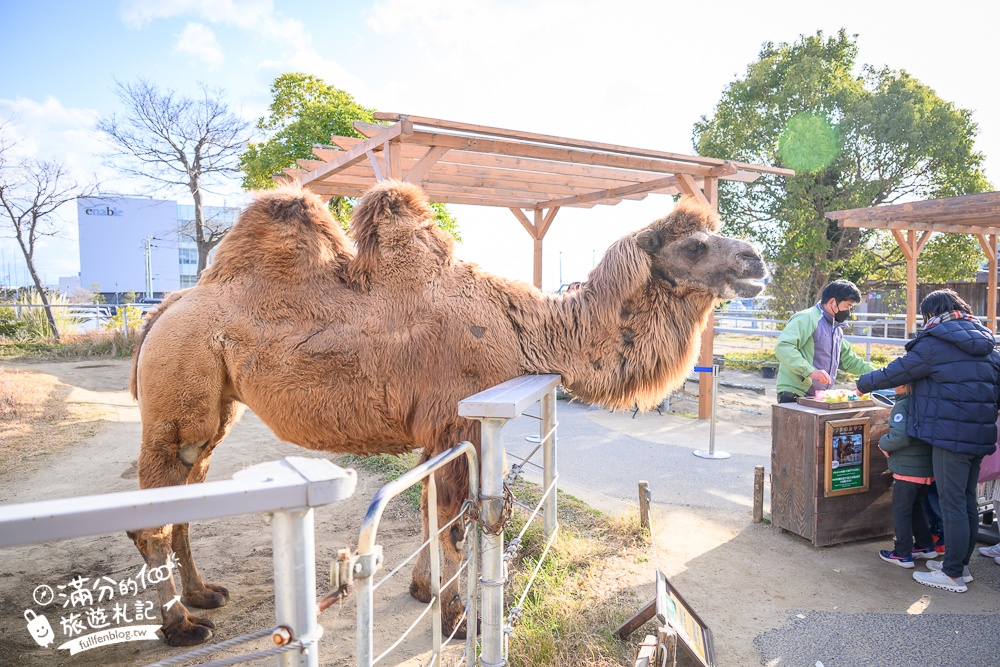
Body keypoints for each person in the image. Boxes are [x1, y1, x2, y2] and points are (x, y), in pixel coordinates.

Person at [857, 289, 1000, 593]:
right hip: (980, 434)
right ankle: (960, 566)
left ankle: (951, 575)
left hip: (950, 439)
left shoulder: (935, 343)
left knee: (952, 504)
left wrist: (862, 384)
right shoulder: (988, 344)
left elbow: (896, 371)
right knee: (966, 502)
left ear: (930, 314)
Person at [774, 280, 875, 403]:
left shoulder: (835, 328)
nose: (848, 312)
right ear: (833, 302)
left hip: (818, 395)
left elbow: (849, 360)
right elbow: (783, 347)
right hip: (795, 393)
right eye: (848, 306)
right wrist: (810, 371)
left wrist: (880, 375)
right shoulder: (807, 318)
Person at [876, 384, 938, 568]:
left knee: (901, 512)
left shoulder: (902, 406)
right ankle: (926, 546)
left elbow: (900, 437)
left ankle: (902, 553)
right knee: (916, 507)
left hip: (907, 470)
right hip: (926, 469)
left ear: (904, 385)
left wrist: (883, 443)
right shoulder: (927, 401)